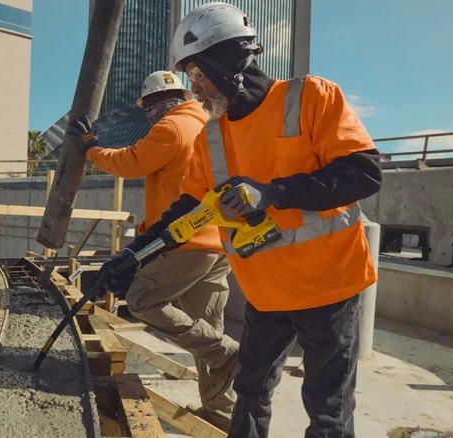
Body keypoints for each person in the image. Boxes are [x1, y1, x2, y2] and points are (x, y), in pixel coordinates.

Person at [101, 3, 383, 437]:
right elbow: (188, 212)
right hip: (266, 294)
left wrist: (275, 193)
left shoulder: (309, 96)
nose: (194, 90)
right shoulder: (212, 136)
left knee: (327, 409)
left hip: (329, 287)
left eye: (196, 75)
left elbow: (363, 172)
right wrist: (133, 255)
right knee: (249, 394)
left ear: (228, 58)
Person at [67, 71, 239, 430]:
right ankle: (222, 416)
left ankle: (229, 352)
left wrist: (90, 148)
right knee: (206, 331)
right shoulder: (207, 123)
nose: (146, 114)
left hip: (186, 239)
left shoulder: (171, 128)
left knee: (144, 300)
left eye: (146, 106)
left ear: (157, 102)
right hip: (218, 241)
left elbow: (130, 161)